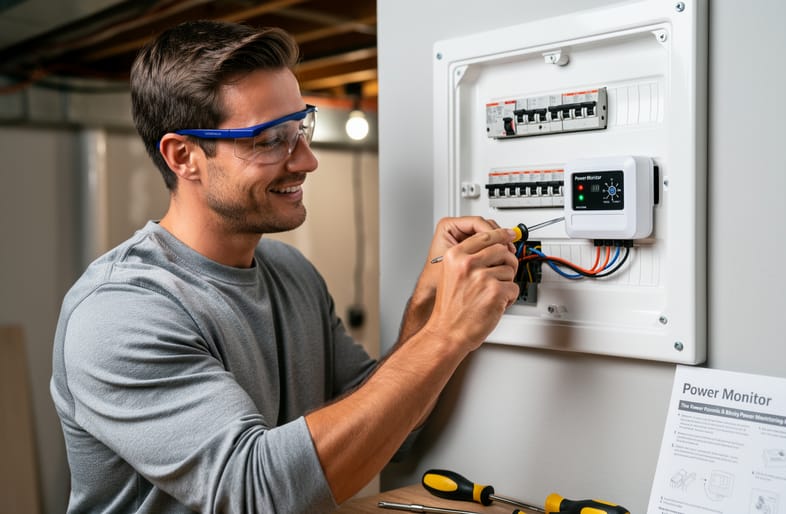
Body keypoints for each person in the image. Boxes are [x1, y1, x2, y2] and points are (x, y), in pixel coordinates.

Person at [50, 20, 520, 513]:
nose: (307, 160)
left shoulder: (291, 272)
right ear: (183, 155)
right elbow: (257, 493)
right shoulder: (120, 312)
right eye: (270, 139)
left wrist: (429, 305)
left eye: (299, 128)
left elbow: (390, 425)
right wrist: (445, 334)